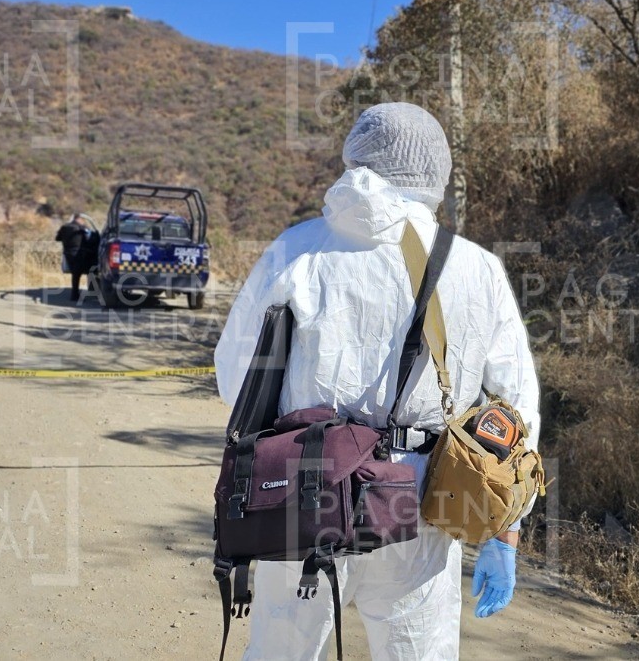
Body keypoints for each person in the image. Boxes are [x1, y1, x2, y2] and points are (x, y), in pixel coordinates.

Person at [214, 102, 541, 660]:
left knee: (280, 652)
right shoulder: (474, 267)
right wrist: (505, 531)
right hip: (418, 499)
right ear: (436, 174)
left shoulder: (294, 248)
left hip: (304, 491)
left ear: (355, 159)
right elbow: (514, 412)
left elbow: (233, 378)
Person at [55, 214, 95, 301]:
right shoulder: (82, 228)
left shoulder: (64, 227)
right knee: (84, 272)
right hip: (79, 254)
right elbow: (90, 239)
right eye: (83, 220)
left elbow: (57, 238)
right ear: (80, 219)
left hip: (68, 254)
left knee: (75, 274)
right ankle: (75, 295)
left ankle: (75, 294)